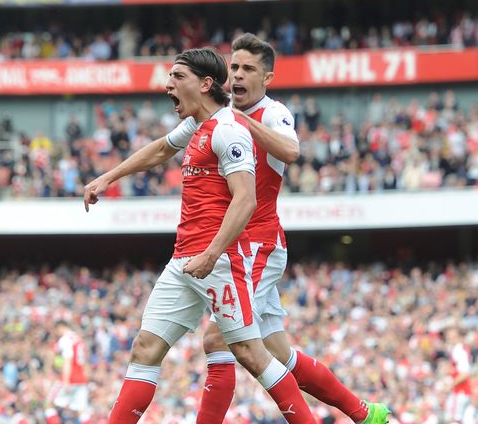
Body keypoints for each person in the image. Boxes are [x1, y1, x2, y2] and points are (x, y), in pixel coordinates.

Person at [83, 47, 316, 424]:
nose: (167, 85)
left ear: (205, 84)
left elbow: (246, 199)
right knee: (145, 347)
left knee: (250, 352)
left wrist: (212, 254)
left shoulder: (228, 129)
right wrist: (108, 178)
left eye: (177, 77)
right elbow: (160, 149)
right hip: (183, 260)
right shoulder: (198, 125)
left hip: (220, 262)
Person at [168, 33, 391, 424]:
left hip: (258, 245)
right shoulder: (218, 115)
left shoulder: (272, 112)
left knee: (218, 339)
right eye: (234, 67)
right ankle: (367, 414)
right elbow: (163, 147)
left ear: (266, 78)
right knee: (278, 354)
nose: (237, 76)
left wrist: (242, 122)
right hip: (236, 250)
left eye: (248, 69)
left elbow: (290, 151)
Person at [45, 320, 93, 424]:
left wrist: (66, 380)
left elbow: (68, 360)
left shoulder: (65, 339)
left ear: (59, 328)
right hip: (81, 379)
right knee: (82, 411)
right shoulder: (79, 339)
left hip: (70, 378)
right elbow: (84, 360)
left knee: (49, 403)